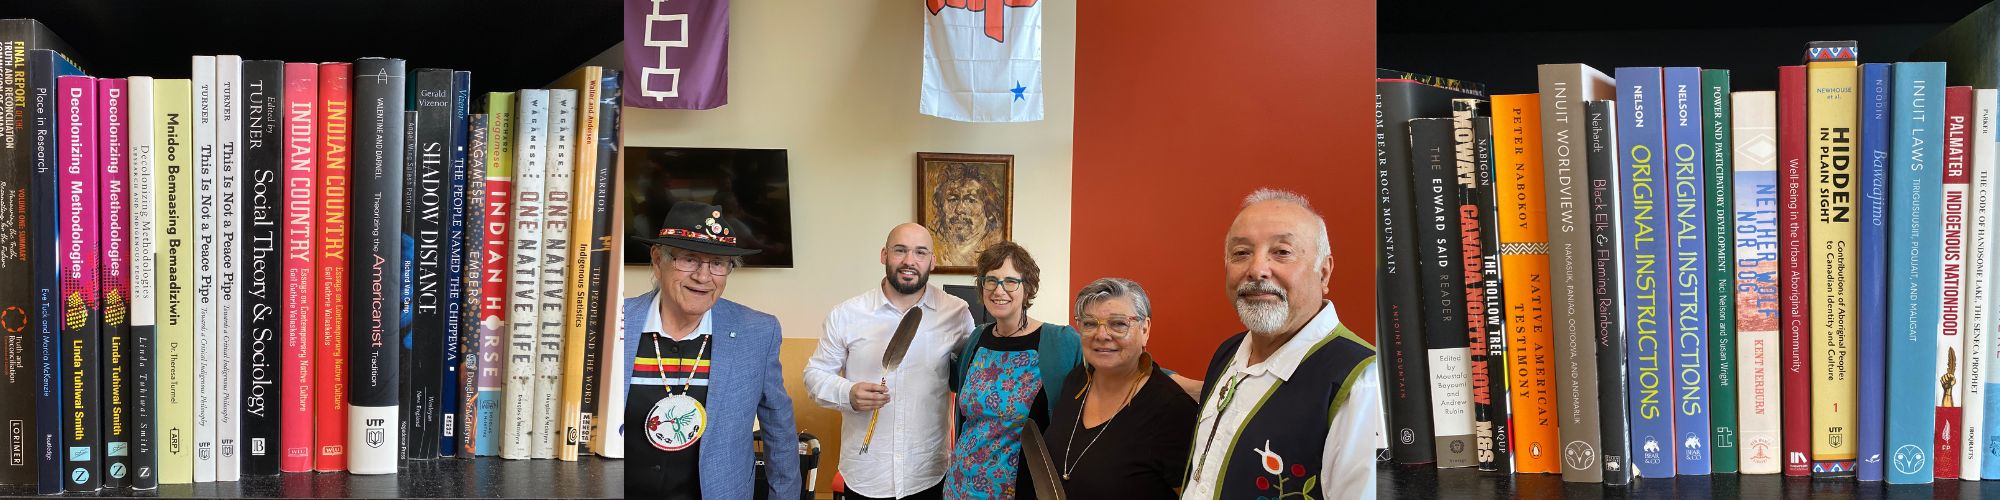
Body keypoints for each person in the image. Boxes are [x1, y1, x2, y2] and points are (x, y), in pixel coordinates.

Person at [1182, 189, 1385, 499]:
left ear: (1324, 272)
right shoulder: (1228, 353)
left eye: (1282, 251)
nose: (1257, 269)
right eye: (1241, 253)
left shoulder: (1361, 384)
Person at [622, 201, 800, 499]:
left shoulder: (757, 332)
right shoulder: (612, 321)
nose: (703, 277)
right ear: (657, 259)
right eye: (689, 259)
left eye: (717, 263)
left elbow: (779, 430)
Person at [805, 223, 976, 499]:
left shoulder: (955, 313)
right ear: (884, 255)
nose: (910, 261)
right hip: (866, 473)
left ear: (932, 261)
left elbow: (974, 372)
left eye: (920, 252)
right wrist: (848, 393)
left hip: (928, 473)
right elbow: (814, 375)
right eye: (900, 250)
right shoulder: (847, 314)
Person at [942, 242, 1081, 498]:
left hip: (1021, 489)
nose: (999, 290)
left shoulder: (1060, 341)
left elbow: (1103, 379)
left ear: (1027, 287)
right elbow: (951, 382)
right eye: (991, 280)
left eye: (1010, 281)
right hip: (960, 485)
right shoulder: (976, 339)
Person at [1042, 277, 1197, 499]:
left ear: (1145, 329)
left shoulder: (1173, 411)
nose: (1101, 335)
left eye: (1118, 323)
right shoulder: (1076, 382)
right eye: (1090, 323)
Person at [930, 164, 1006, 268]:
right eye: (953, 199)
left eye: (970, 200)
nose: (959, 209)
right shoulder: (936, 251)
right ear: (942, 206)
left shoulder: (995, 255)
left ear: (988, 208)